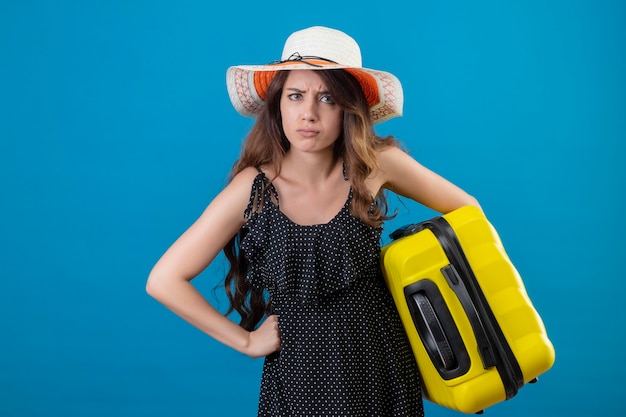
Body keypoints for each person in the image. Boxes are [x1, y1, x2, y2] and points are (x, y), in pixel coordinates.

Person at [146, 26, 480, 416]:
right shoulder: (253, 189)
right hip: (298, 374)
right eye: (296, 96)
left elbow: (467, 212)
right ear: (278, 105)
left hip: (380, 364)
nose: (309, 113)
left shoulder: (375, 166)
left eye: (328, 98)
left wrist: (414, 277)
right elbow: (164, 280)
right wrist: (247, 342)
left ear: (348, 108)